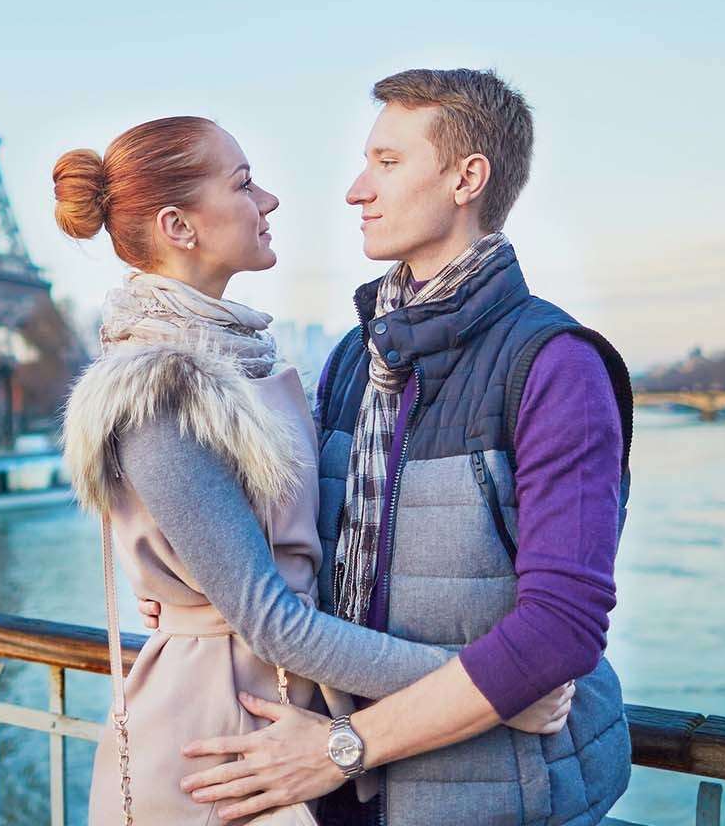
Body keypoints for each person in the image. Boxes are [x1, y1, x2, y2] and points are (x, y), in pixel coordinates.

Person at [56, 115, 573, 826]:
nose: (268, 200)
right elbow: (272, 620)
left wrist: (195, 584)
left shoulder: (247, 366)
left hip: (278, 718)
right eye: (243, 184)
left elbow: (293, 549)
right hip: (220, 742)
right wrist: (494, 688)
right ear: (179, 226)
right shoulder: (159, 392)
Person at [172, 69, 635, 826]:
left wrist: (344, 747)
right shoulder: (354, 359)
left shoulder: (556, 366)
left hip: (499, 800)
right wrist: (192, 593)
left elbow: (560, 633)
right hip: (345, 799)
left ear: (466, 179)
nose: (356, 190)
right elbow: (296, 554)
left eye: (387, 162)